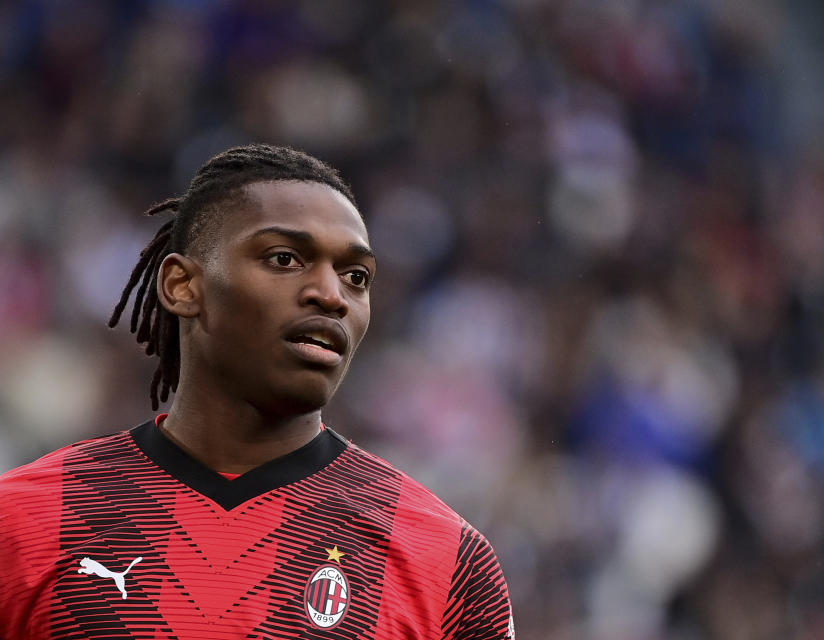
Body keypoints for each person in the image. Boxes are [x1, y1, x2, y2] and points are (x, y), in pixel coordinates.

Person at [0, 144, 515, 639]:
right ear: (183, 286)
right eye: (285, 259)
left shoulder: (446, 561)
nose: (331, 295)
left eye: (356, 276)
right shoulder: (23, 523)